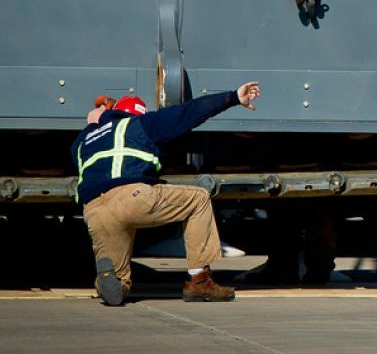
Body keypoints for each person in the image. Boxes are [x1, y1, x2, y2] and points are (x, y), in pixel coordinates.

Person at [72, 82, 261, 305]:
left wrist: (94, 124)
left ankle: (110, 283)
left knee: (119, 279)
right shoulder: (142, 124)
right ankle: (200, 282)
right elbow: (188, 112)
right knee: (198, 199)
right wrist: (232, 98)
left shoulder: (82, 141)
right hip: (132, 197)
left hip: (95, 211)